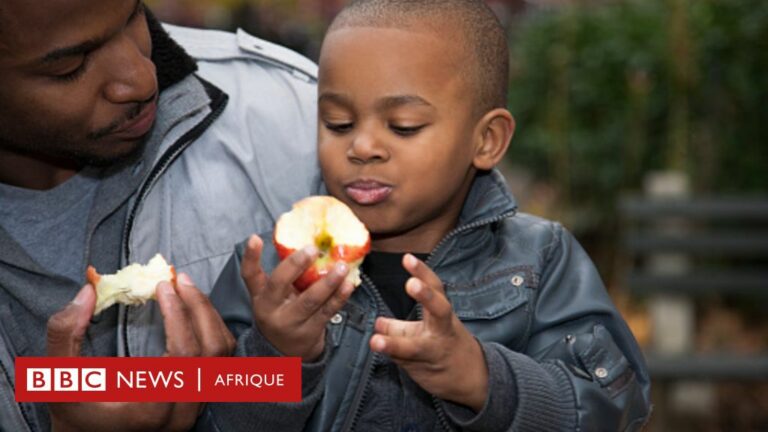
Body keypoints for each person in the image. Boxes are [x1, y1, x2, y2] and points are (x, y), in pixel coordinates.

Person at [209, 0, 653, 430]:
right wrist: (277, 357)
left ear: (487, 141)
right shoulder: (269, 270)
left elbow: (618, 406)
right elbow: (206, 418)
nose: (362, 147)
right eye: (338, 123)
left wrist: (484, 380)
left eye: (403, 126)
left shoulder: (540, 259)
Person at [0, 0, 321, 430]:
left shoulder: (297, 117)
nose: (141, 79)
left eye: (134, 16)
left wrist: (251, 380)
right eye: (70, 67)